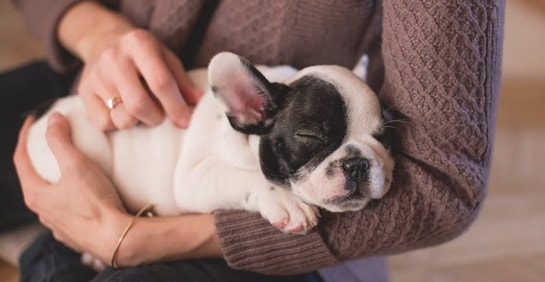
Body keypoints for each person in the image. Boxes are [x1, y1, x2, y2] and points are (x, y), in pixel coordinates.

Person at [2, 0, 505, 281]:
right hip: (100, 97)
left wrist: (135, 241)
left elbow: (444, 182)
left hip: (230, 223)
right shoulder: (258, 107)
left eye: (378, 140)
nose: (356, 163)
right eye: (314, 142)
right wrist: (94, 30)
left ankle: (50, 255)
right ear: (247, 111)